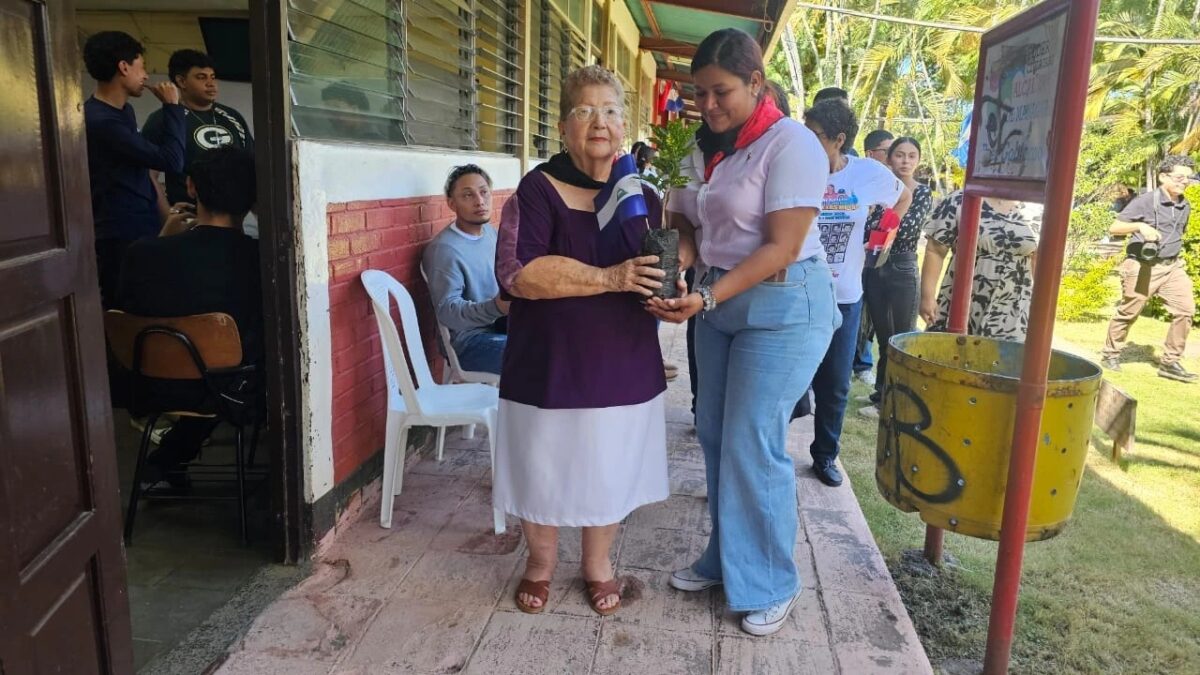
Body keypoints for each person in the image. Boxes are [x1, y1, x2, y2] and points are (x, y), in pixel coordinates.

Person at [647, 28, 837, 637]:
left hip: (782, 304)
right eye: (698, 93)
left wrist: (703, 295)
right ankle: (728, 559)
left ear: (756, 83)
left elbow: (781, 248)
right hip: (718, 301)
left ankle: (772, 580)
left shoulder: (791, 145)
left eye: (720, 91)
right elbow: (685, 226)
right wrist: (677, 266)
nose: (707, 105)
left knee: (752, 440)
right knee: (711, 432)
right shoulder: (696, 148)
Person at [494, 65, 668, 617]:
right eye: (585, 111)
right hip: (548, 363)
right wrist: (608, 277)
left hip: (623, 361)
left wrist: (671, 293)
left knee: (609, 466)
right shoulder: (538, 189)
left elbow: (658, 270)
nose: (600, 122)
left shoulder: (643, 196)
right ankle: (540, 564)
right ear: (565, 128)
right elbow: (519, 274)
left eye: (611, 111)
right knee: (540, 465)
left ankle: (598, 566)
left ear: (625, 126)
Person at [118, 146, 261, 488]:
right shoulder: (260, 261)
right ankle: (167, 462)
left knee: (206, 364)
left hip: (150, 388)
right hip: (232, 393)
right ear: (256, 197)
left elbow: (127, 311)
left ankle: (165, 462)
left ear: (192, 187)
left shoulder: (141, 253)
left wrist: (160, 242)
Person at [800, 98, 911, 488]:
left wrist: (884, 233)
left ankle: (825, 455)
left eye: (814, 134)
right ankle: (769, 453)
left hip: (845, 295)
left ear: (838, 139)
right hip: (798, 292)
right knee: (788, 380)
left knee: (836, 382)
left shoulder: (866, 174)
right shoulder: (795, 167)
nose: (805, 140)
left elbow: (902, 196)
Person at [83, 30, 186, 309]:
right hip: (119, 229)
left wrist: (164, 214)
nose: (145, 76)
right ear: (123, 67)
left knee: (151, 296)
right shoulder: (101, 122)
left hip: (141, 219)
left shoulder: (123, 113)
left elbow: (140, 169)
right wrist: (173, 107)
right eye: (141, 67)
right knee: (127, 306)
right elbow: (171, 161)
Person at [1101, 155, 1197, 383]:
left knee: (1185, 310)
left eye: (1188, 178)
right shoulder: (1145, 201)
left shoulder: (1185, 205)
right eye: (1179, 177)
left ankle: (1170, 362)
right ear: (1164, 176)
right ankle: (1110, 354)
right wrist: (1140, 226)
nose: (1184, 181)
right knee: (1129, 312)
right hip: (1142, 266)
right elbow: (1114, 227)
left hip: (1172, 266)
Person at [859, 137, 934, 417]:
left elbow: (905, 229)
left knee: (902, 337)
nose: (905, 161)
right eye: (900, 155)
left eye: (911, 156)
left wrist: (882, 223)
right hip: (875, 266)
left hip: (902, 267)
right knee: (882, 334)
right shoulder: (880, 190)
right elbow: (867, 228)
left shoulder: (923, 193)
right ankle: (882, 395)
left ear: (918, 160)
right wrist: (882, 224)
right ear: (888, 159)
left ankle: (900, 399)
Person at [420, 164, 508, 375]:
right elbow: (447, 312)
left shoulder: (490, 234)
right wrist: (496, 307)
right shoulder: (445, 250)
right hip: (469, 343)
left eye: (484, 192)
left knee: (559, 332)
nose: (479, 201)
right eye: (467, 195)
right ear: (452, 204)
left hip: (499, 324)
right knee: (540, 353)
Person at [919, 191, 1040, 340]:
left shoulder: (1038, 207)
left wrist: (1040, 310)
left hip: (1014, 308)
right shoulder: (961, 199)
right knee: (951, 355)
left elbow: (1039, 260)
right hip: (961, 302)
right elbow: (935, 250)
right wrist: (927, 297)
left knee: (1005, 359)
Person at [143, 49, 254, 210]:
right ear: (181, 81)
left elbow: (250, 166)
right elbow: (149, 176)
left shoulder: (232, 116)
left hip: (234, 217)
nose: (211, 83)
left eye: (213, 77)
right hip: (187, 215)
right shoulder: (162, 119)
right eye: (201, 77)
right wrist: (167, 216)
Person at [812, 87, 857, 157]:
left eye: (847, 109)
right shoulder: (804, 149)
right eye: (841, 109)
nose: (847, 114)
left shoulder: (851, 154)